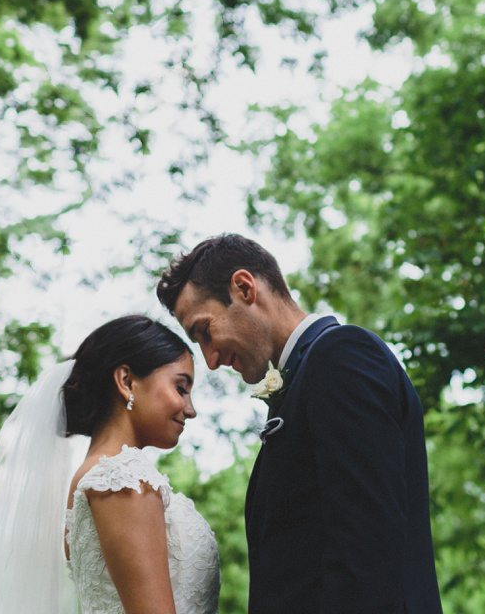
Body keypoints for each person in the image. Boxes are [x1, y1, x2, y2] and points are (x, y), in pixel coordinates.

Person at [157, 234, 443, 614]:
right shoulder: (309, 376)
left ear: (244, 288)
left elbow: (368, 548)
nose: (209, 360)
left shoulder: (341, 356)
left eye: (205, 331)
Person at [0, 314, 221, 614]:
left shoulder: (92, 480)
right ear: (127, 381)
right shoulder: (122, 480)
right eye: (181, 388)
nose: (190, 410)